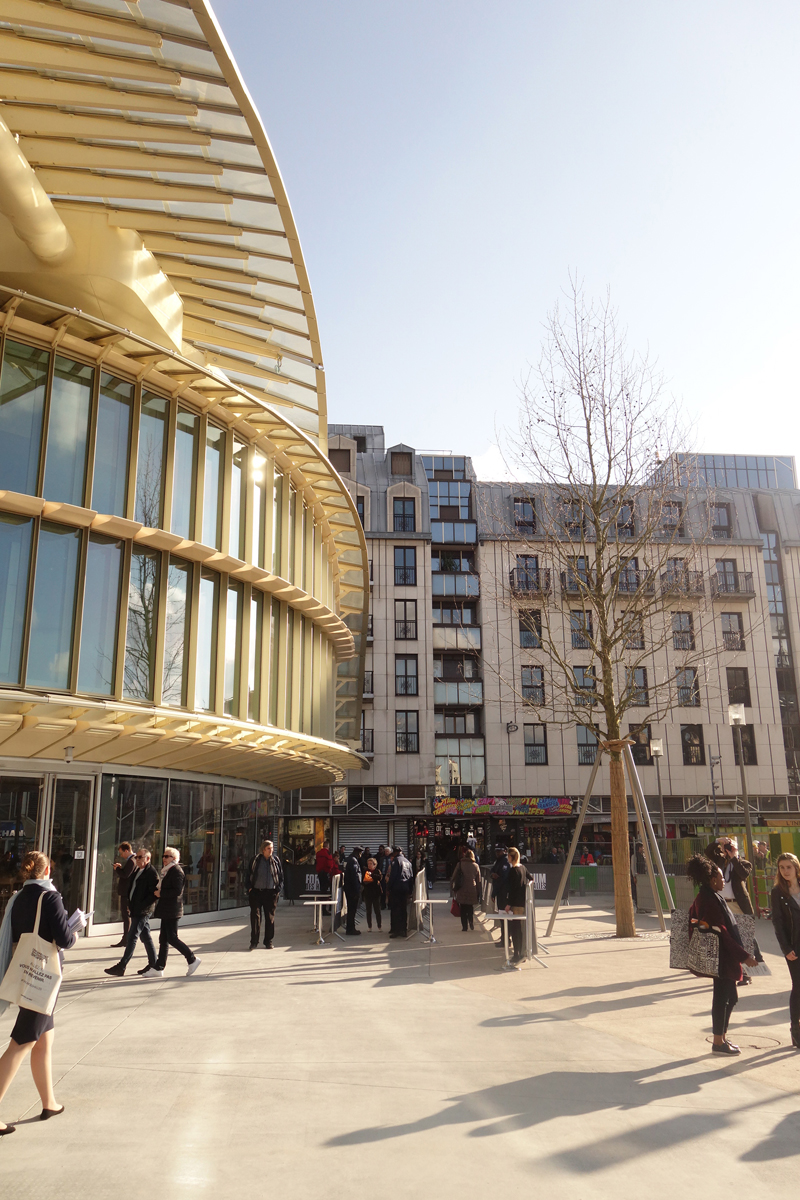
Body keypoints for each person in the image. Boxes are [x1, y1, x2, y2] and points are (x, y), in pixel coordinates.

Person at [0, 851, 84, 1132]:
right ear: (47, 870)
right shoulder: (50, 897)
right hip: (43, 977)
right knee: (22, 1041)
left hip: (27, 970)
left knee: (44, 1040)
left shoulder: (17, 898)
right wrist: (74, 931)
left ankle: (49, 1102)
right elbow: (64, 939)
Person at [686, 854, 756, 1055]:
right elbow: (721, 932)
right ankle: (718, 1041)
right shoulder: (708, 899)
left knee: (730, 998)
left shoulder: (710, 895)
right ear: (711, 879)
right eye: (720, 876)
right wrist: (743, 956)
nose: (723, 880)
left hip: (724, 957)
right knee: (722, 998)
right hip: (721, 958)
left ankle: (722, 1037)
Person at [706, 836, 757, 983]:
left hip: (738, 905)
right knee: (726, 938)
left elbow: (743, 874)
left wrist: (734, 856)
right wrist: (717, 841)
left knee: (743, 938)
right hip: (721, 903)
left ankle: (746, 974)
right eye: (726, 847)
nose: (728, 849)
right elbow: (708, 852)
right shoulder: (719, 861)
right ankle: (731, 970)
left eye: (731, 846)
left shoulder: (744, 863)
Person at [105, 848, 159, 977]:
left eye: (140, 857)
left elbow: (154, 894)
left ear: (148, 859)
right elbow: (132, 888)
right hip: (136, 908)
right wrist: (130, 904)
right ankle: (154, 964)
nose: (137, 859)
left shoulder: (151, 872)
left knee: (132, 937)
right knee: (145, 936)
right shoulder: (138, 871)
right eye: (137, 857)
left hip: (143, 910)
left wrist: (141, 906)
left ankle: (122, 966)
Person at [153, 848, 200, 977]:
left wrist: (161, 893)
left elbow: (177, 891)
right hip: (167, 909)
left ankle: (192, 959)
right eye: (163, 856)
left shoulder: (176, 871)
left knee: (172, 938)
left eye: (167, 856)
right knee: (163, 938)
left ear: (173, 859)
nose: (164, 858)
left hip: (172, 909)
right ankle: (159, 967)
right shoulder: (167, 871)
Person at [770, 852, 800, 1049]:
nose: (785, 871)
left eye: (788, 867)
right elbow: (778, 923)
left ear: (796, 867)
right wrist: (786, 948)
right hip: (794, 947)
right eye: (782, 868)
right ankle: (795, 1030)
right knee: (798, 987)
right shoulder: (777, 892)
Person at [247, 840, 284, 949]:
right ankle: (254, 941)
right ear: (263, 850)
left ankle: (268, 941)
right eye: (269, 848)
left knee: (270, 918)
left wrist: (278, 889)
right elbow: (248, 874)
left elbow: (281, 876)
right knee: (255, 917)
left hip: (271, 893)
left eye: (272, 848)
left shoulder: (275, 860)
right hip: (256, 892)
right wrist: (249, 888)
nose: (271, 850)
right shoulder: (256, 860)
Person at [505, 847, 528, 962]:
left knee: (515, 929)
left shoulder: (513, 871)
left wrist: (508, 903)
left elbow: (512, 889)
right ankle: (521, 952)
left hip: (515, 904)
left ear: (511, 857)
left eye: (508, 855)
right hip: (522, 903)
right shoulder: (523, 868)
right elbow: (531, 878)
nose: (507, 857)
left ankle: (516, 954)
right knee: (520, 929)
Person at [451, 848, 482, 932]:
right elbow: (478, 880)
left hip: (461, 888)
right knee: (470, 907)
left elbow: (454, 876)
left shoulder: (460, 864)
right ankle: (471, 921)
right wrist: (479, 892)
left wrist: (453, 887)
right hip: (472, 888)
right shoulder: (475, 866)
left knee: (463, 908)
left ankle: (464, 927)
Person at [112, 842, 136, 947]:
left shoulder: (132, 860)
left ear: (126, 851)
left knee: (126, 915)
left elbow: (126, 875)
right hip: (127, 891)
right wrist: (120, 868)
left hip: (126, 892)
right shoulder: (132, 861)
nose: (121, 856)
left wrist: (117, 869)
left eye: (122, 853)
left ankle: (126, 938)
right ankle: (127, 938)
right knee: (126, 915)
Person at [387, 846, 414, 937]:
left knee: (396, 909)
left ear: (394, 852)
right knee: (403, 909)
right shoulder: (407, 862)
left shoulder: (396, 861)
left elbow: (393, 876)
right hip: (405, 888)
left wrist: (388, 887)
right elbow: (411, 877)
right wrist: (410, 890)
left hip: (396, 888)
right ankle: (404, 929)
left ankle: (397, 930)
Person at [491, 846, 510, 947]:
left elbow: (503, 878)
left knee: (505, 917)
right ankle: (504, 938)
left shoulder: (505, 861)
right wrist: (493, 875)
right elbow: (492, 871)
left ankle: (506, 940)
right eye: (497, 851)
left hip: (504, 893)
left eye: (500, 851)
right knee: (502, 917)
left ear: (505, 851)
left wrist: (497, 877)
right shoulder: (498, 861)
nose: (498, 853)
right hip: (499, 892)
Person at [344, 847, 363, 935]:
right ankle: (351, 929)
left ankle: (350, 927)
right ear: (358, 852)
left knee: (350, 909)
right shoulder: (353, 861)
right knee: (352, 909)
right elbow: (355, 876)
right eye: (360, 853)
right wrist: (357, 889)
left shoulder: (347, 859)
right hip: (352, 889)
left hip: (348, 887)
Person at [362, 857, 383, 931]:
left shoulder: (377, 871)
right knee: (368, 911)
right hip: (368, 893)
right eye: (368, 864)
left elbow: (379, 878)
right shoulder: (366, 871)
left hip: (376, 893)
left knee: (377, 910)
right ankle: (369, 926)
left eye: (371, 864)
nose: (369, 865)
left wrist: (372, 875)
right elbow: (363, 880)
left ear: (375, 865)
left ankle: (379, 926)